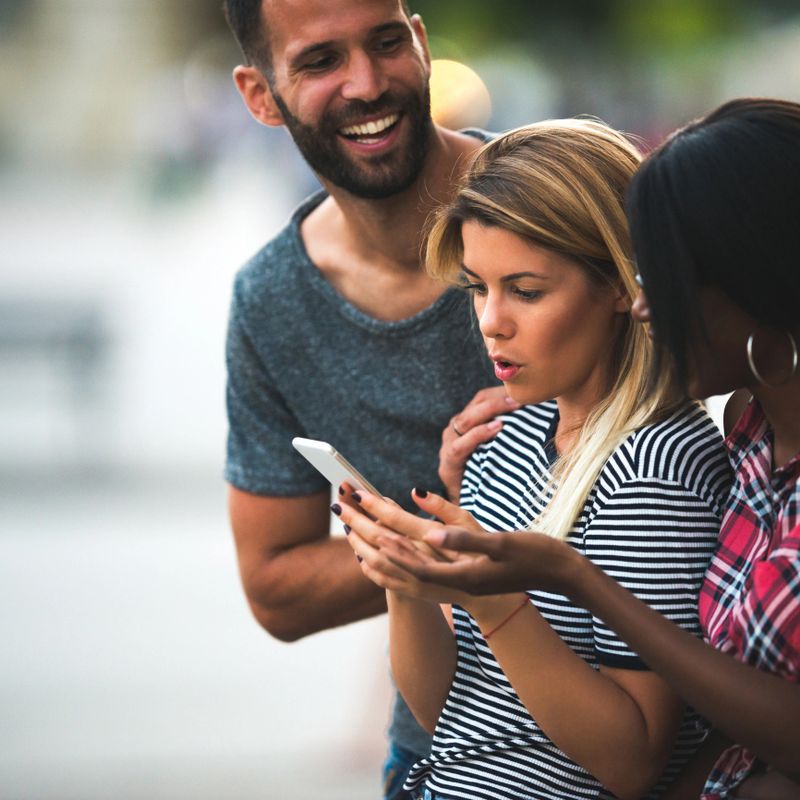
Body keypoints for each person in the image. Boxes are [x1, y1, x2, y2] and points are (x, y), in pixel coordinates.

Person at [370, 99, 800, 799]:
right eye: (478, 289)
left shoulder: (660, 463)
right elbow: (455, 716)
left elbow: (636, 760)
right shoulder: (509, 439)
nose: (491, 323)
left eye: (526, 290)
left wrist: (505, 599)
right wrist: (406, 582)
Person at [220, 1, 512, 796]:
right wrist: (453, 530)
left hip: (655, 728)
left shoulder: (561, 202)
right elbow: (275, 585)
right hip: (443, 752)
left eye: (386, 43)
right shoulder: (271, 303)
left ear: (419, 41)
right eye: (319, 62)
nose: (367, 83)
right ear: (260, 94)